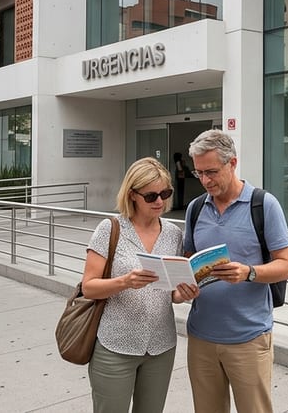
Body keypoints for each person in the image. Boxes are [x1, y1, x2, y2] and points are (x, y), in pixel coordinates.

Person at [184, 130, 288, 413]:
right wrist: (182, 284)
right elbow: (188, 258)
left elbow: (286, 265)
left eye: (211, 172)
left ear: (232, 163)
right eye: (199, 174)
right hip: (201, 337)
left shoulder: (264, 204)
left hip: (248, 337)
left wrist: (249, 272)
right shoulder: (195, 208)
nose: (205, 181)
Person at [81, 157, 200, 412]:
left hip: (161, 346)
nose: (160, 201)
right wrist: (125, 281)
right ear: (133, 194)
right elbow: (88, 287)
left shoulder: (173, 233)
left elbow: (171, 293)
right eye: (151, 196)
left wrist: (183, 293)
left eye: (165, 193)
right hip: (116, 346)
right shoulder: (109, 229)